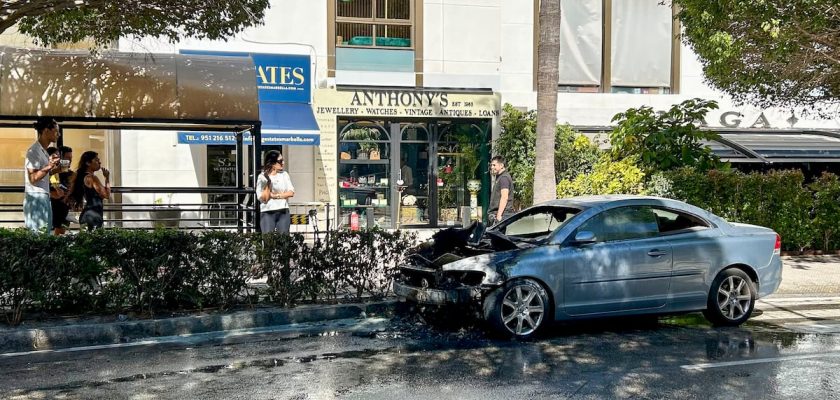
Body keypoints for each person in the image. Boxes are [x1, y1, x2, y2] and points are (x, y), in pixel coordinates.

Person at [24, 117, 61, 233]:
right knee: (38, 237)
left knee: (46, 235)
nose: (58, 134)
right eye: (56, 131)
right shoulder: (33, 151)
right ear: (46, 130)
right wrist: (49, 166)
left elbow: (43, 175)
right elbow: (33, 178)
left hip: (43, 195)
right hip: (36, 197)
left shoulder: (44, 151)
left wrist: (57, 169)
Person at [68, 151, 111, 231]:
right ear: (88, 163)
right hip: (94, 215)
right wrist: (107, 179)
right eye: (96, 160)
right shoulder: (92, 178)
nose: (99, 162)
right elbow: (106, 195)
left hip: (87, 215)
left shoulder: (81, 176)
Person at [257, 150, 295, 234]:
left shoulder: (284, 175)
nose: (283, 163)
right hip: (267, 211)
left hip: (283, 210)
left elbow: (291, 192)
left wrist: (275, 196)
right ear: (272, 163)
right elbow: (265, 198)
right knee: (268, 239)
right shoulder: (262, 177)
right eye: (280, 161)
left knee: (284, 240)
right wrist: (268, 182)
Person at [49, 146, 74, 235]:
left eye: (71, 158)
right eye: (67, 158)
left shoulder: (71, 174)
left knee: (60, 235)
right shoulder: (51, 173)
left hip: (64, 210)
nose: (70, 161)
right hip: (52, 211)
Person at [488, 155, 514, 225]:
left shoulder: (504, 178)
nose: (492, 167)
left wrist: (499, 216)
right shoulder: (500, 177)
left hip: (503, 215)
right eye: (491, 165)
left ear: (501, 165)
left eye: (494, 165)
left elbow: (504, 197)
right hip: (499, 215)